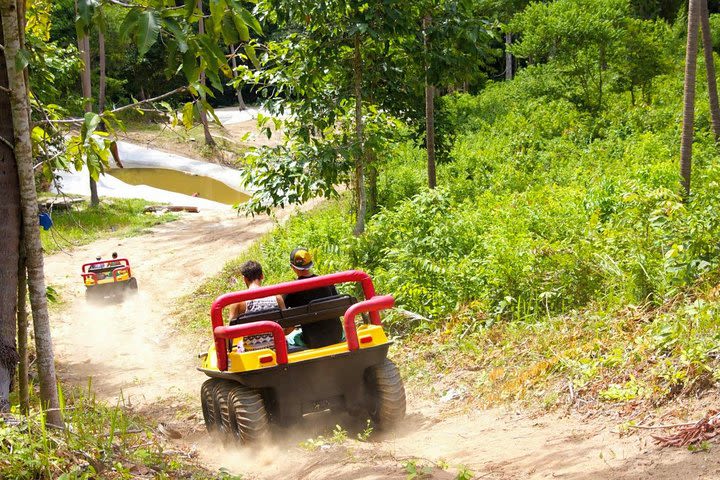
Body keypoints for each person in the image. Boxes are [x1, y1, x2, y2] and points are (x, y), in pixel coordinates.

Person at [284, 247, 343, 349]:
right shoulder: (327, 282)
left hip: (313, 341)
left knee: (291, 338)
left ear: (292, 267)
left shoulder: (292, 291)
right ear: (310, 264)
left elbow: (290, 323)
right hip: (336, 336)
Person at [229, 260, 286, 352]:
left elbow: (230, 333)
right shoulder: (276, 297)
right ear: (262, 276)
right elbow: (287, 325)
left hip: (251, 352)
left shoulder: (238, 301)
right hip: (278, 349)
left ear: (244, 279)